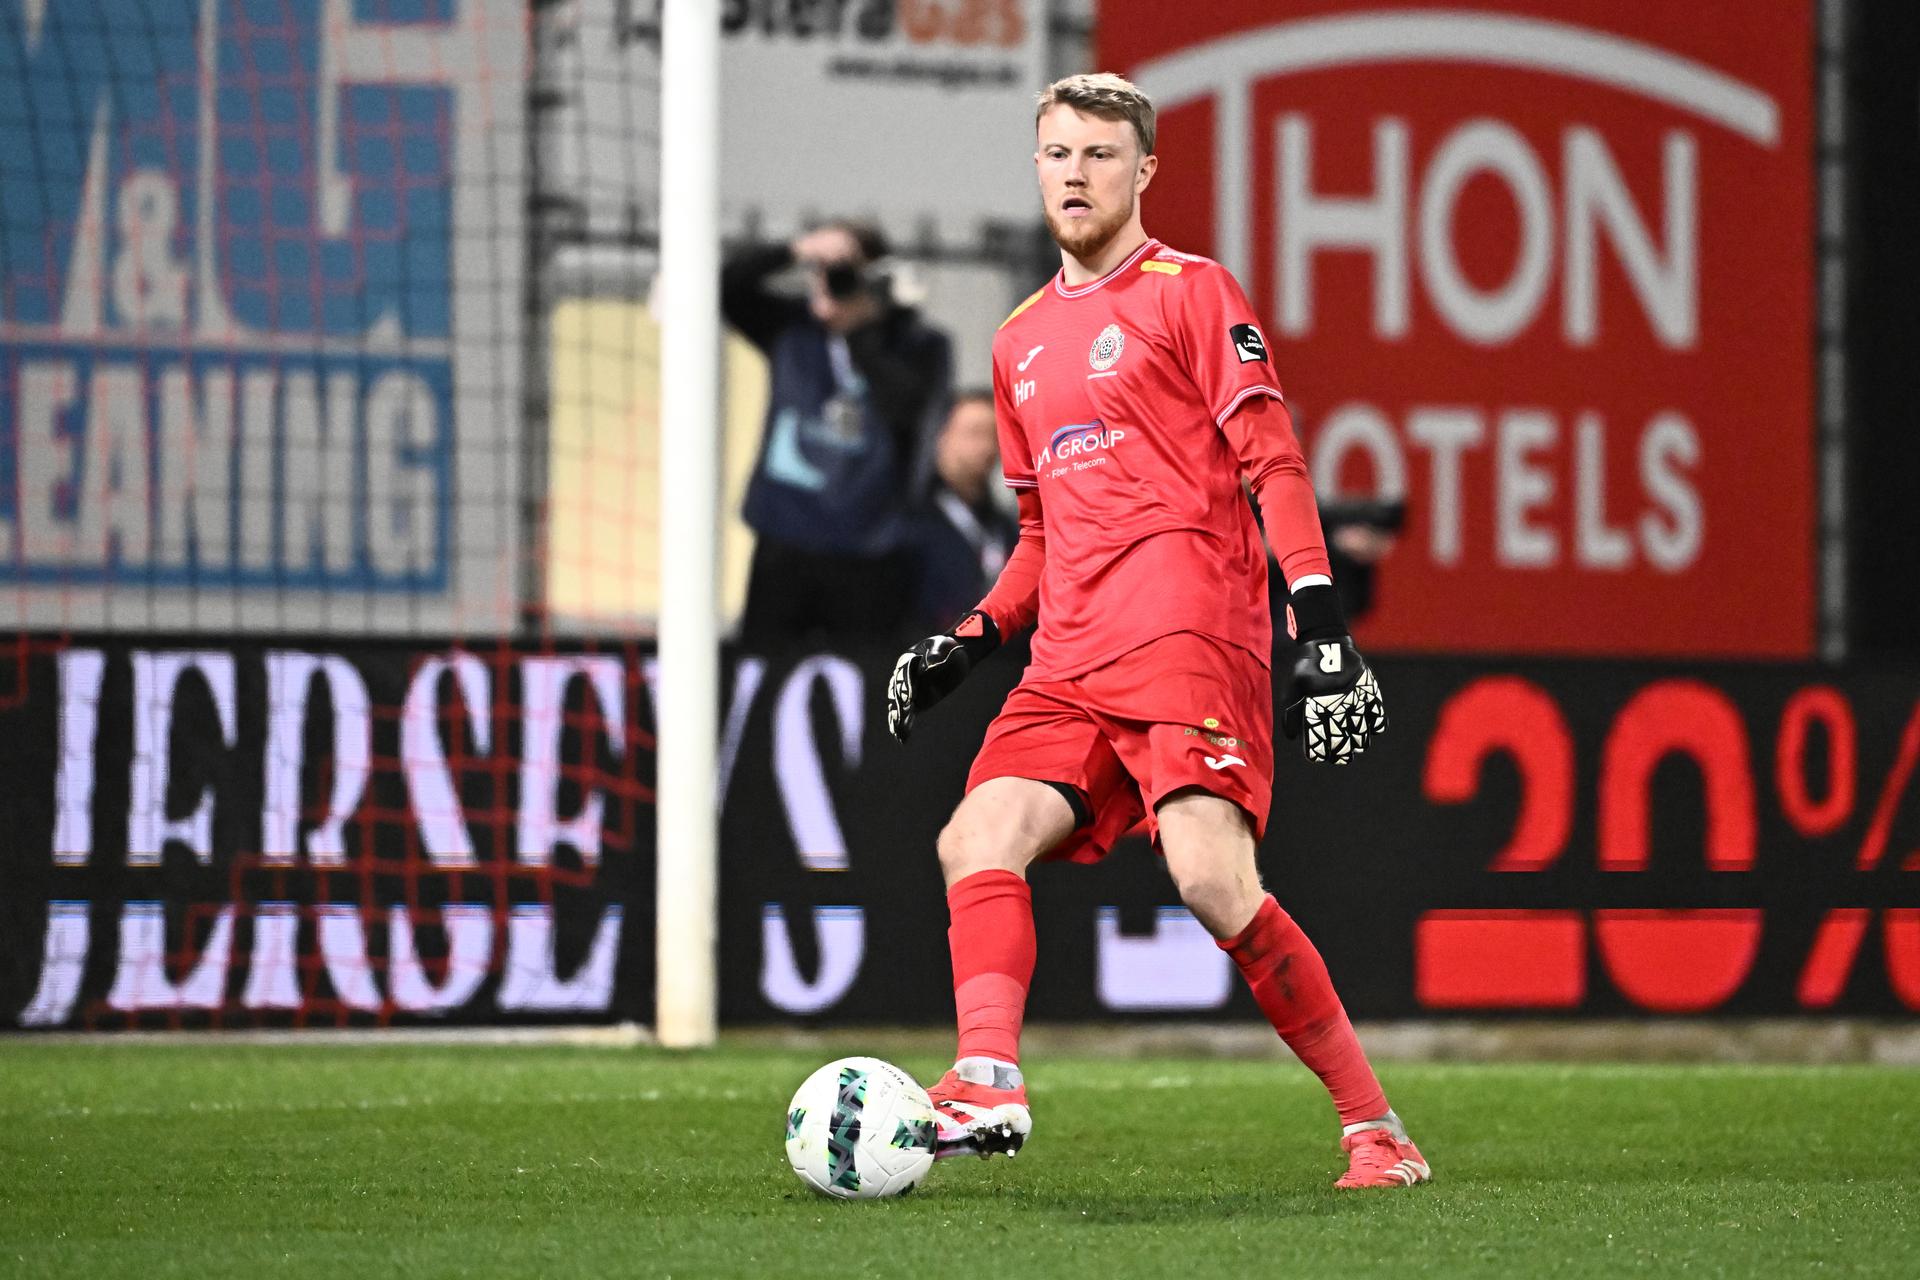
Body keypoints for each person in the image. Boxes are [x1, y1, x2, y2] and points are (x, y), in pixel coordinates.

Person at [883, 73, 1427, 1189]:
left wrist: (1317, 618)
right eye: (1056, 153)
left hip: (1190, 632)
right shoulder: (1020, 340)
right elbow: (1040, 527)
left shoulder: (1192, 291)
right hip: (1067, 654)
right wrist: (973, 637)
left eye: (1097, 154)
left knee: (1212, 882)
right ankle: (986, 1078)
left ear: (1143, 171)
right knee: (972, 839)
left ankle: (1375, 1127)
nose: (1074, 173)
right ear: (1035, 167)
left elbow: (1272, 459)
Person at [723, 221, 952, 645]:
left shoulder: (919, 343)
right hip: (784, 540)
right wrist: (796, 248)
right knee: (765, 674)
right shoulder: (791, 329)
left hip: (871, 547)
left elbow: (908, 406)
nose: (829, 283)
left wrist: (862, 327)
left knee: (867, 685)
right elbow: (727, 288)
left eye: (845, 273)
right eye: (822, 271)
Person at [909, 391, 1020, 633]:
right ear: (941, 436)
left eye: (995, 435)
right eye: (975, 433)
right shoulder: (912, 523)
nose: (987, 446)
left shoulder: (1007, 529)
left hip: (1002, 659)